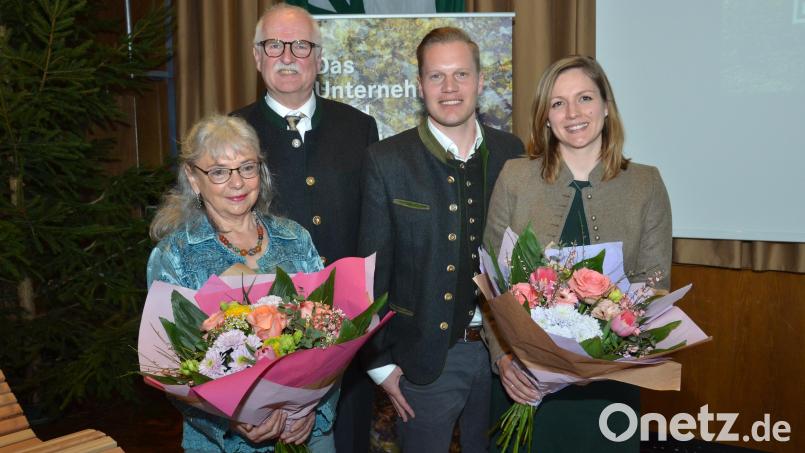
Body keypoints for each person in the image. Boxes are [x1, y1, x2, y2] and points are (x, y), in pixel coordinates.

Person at [483, 55, 673, 452]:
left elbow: (653, 287)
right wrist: (504, 359)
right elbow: (492, 286)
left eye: (585, 98)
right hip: (526, 385)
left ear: (606, 106)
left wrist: (607, 358)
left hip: (610, 386)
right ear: (546, 117)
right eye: (558, 103)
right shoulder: (515, 178)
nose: (573, 113)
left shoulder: (646, 183)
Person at [358, 27, 524, 452]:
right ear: (420, 85)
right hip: (424, 361)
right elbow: (370, 275)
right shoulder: (386, 160)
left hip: (507, 356)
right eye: (436, 76)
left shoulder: (512, 152)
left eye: (461, 75)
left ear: (480, 81)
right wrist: (380, 365)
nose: (449, 88)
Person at [230, 5, 379, 451]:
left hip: (347, 336)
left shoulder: (358, 127)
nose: (287, 56)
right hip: (260, 335)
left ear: (319, 57)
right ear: (257, 56)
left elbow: (375, 228)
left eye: (301, 45)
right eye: (274, 45)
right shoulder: (233, 132)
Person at [147, 114, 337, 452]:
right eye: (219, 172)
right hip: (227, 443)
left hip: (307, 435)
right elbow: (170, 367)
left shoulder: (295, 238)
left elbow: (333, 336)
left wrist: (313, 410)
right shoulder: (175, 255)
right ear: (193, 178)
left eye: (247, 168)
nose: (237, 183)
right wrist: (232, 420)